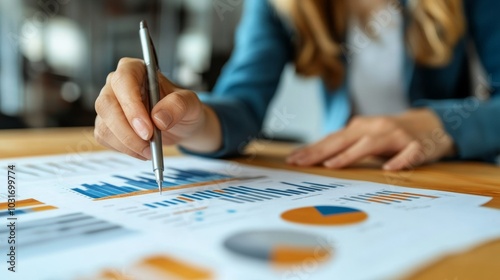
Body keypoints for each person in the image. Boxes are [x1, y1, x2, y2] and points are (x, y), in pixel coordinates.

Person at [94, 0, 500, 171]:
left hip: (441, 174)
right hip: (348, 176)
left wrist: (441, 123)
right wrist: (189, 121)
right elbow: (241, 104)